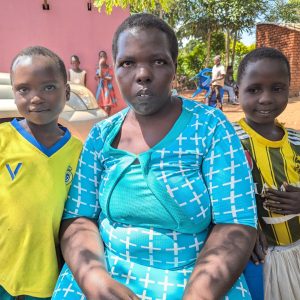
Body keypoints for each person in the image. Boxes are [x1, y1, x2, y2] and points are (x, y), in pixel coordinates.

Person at [52, 13, 257, 300]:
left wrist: (197, 295)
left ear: (174, 68)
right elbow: (79, 218)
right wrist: (95, 281)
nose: (143, 73)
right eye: (128, 63)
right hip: (105, 274)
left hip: (194, 278)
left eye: (158, 61)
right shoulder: (101, 136)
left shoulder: (210, 127)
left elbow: (235, 224)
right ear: (116, 69)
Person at [0, 46, 82, 299]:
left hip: (47, 275)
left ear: (66, 92)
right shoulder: (3, 140)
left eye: (48, 87)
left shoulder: (78, 152)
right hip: (3, 270)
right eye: (24, 89)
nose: (35, 98)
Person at [233, 47, 300, 300]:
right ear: (238, 92)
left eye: (277, 88)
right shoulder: (229, 141)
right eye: (254, 89)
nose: (266, 98)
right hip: (260, 258)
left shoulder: (295, 141)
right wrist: (246, 225)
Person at [95, 50, 116, 116]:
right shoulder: (98, 68)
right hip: (101, 89)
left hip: (108, 89)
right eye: (101, 56)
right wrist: (100, 65)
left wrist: (102, 77)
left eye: (103, 56)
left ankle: (108, 120)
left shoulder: (109, 67)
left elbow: (110, 78)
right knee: (100, 108)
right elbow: (98, 77)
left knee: (107, 107)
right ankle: (104, 122)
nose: (102, 58)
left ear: (106, 57)